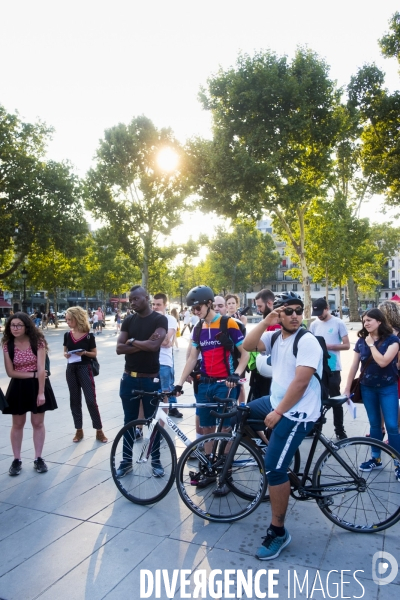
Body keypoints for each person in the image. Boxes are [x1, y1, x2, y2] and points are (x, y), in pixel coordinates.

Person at [243, 292, 323, 560]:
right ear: (277, 313)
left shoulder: (307, 341)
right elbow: (247, 344)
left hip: (296, 411)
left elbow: (300, 385)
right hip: (276, 401)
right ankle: (272, 446)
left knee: (274, 469)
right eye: (288, 311)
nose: (295, 315)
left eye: (298, 310)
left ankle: (278, 532)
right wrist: (266, 322)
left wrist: (278, 413)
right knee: (240, 414)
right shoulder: (275, 336)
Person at [174, 285, 249, 442]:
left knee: (225, 428)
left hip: (225, 384)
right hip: (204, 384)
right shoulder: (198, 328)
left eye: (198, 307)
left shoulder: (228, 323)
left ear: (209, 303)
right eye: (193, 308)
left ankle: (225, 465)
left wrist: (236, 374)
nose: (195, 311)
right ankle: (208, 463)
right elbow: (192, 358)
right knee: (207, 428)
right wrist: (179, 383)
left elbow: (245, 352)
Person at [116, 285, 168, 478]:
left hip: (150, 380)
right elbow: (119, 348)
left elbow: (155, 345)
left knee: (152, 422)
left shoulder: (159, 319)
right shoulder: (128, 320)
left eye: (136, 299)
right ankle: (126, 462)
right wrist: (142, 344)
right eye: (130, 300)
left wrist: (132, 342)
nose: (132, 302)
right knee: (128, 421)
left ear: (146, 298)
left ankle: (156, 461)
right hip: (129, 378)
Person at [343, 308, 400, 479]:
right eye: (364, 320)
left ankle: (398, 462)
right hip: (367, 387)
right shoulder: (361, 341)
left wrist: (370, 344)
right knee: (375, 424)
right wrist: (346, 389)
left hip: (387, 388)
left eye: (369, 320)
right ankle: (376, 458)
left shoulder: (393, 340)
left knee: (392, 425)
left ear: (379, 321)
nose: (366, 323)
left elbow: (383, 362)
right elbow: (354, 366)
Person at [1, 312, 57, 476]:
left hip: (38, 385)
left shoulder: (37, 342)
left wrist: (41, 393)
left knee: (38, 423)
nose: (15, 328)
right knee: (17, 424)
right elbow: (11, 372)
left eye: (19, 325)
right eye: (12, 325)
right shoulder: (7, 344)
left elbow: (41, 368)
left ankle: (38, 458)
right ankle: (16, 460)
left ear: (26, 327)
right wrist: (32, 374)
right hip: (18, 386)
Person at [64, 307, 107, 443]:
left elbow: (94, 354)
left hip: (85, 368)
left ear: (77, 319)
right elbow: (65, 351)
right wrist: (66, 354)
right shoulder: (67, 335)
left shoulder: (89, 336)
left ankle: (99, 430)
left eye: (70, 319)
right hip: (71, 369)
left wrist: (84, 353)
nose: (68, 322)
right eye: (67, 319)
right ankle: (79, 430)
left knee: (90, 400)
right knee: (74, 400)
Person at [310, 298, 350, 439]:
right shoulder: (314, 325)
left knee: (335, 399)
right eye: (317, 313)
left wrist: (329, 346)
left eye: (321, 312)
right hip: (319, 368)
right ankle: (316, 429)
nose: (320, 315)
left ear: (327, 308)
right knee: (318, 400)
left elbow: (347, 345)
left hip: (333, 368)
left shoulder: (338, 323)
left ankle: (339, 430)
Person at [152, 293, 182, 418]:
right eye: (153, 304)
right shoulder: (148, 319)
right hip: (149, 363)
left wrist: (153, 339)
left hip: (164, 362)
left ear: (165, 305)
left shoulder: (170, 319)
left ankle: (165, 421)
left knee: (166, 392)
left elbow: (165, 342)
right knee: (151, 394)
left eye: (158, 304)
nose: (155, 307)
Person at [247, 289, 279, 402]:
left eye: (260, 306)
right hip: (260, 371)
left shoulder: (278, 323)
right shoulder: (266, 321)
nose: (258, 309)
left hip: (271, 373)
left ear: (270, 303)